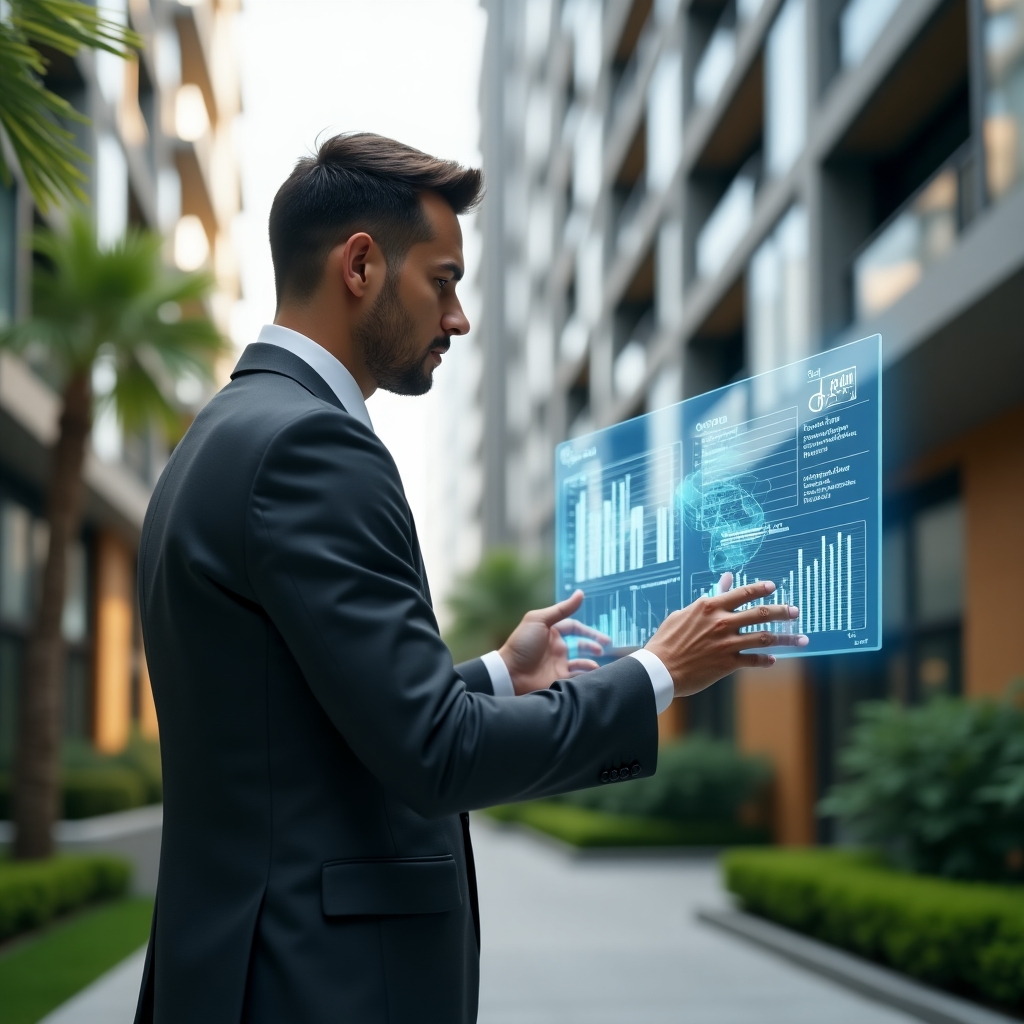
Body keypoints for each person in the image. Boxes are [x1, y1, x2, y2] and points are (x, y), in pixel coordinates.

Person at [133, 133, 807, 1024]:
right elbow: (438, 756)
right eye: (444, 282)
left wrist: (495, 675)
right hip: (315, 986)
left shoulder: (220, 436)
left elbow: (302, 732)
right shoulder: (311, 447)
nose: (459, 319)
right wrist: (659, 673)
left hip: (245, 971)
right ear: (361, 265)